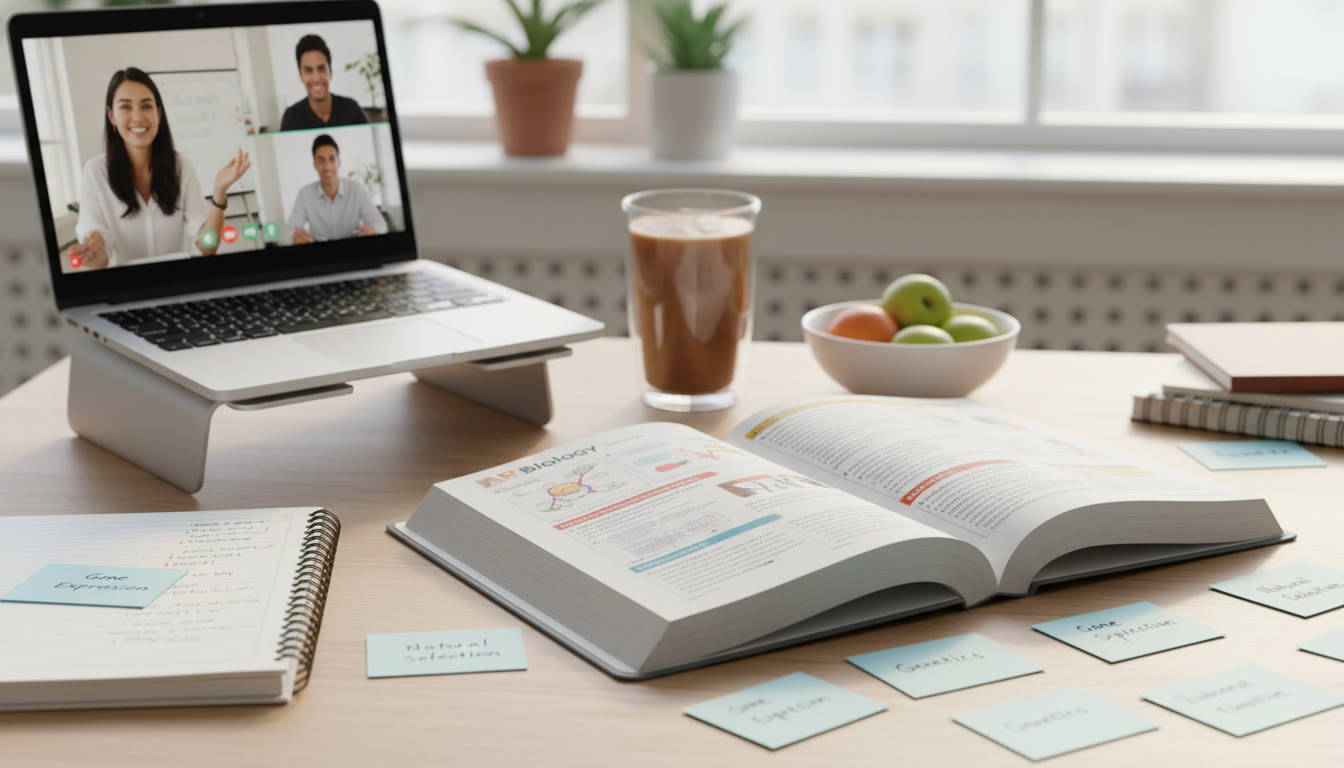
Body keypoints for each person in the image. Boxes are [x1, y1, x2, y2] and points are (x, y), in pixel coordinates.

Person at [68, 67, 250, 270]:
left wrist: (219, 193)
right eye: (125, 107)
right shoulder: (95, 173)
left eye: (146, 106)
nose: (138, 117)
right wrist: (92, 249)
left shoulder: (181, 166)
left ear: (159, 114)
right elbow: (99, 261)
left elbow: (207, 249)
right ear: (111, 116)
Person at [288, 133, 387, 244]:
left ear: (339, 162)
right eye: (321, 160)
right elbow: (291, 229)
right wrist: (296, 236)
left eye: (332, 159)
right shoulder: (305, 194)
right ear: (315, 164)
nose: (327, 167)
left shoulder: (356, 189)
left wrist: (372, 230)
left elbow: (381, 225)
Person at [278, 34, 369, 131]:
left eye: (321, 69)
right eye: (308, 70)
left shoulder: (351, 108)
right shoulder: (291, 117)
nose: (316, 78)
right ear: (301, 76)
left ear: (330, 72)